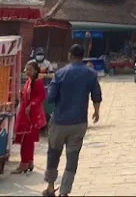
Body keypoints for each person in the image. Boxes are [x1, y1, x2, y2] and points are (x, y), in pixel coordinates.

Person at [43, 44, 102, 197]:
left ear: (70, 55)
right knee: (72, 157)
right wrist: (96, 112)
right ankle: (64, 192)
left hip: (59, 121)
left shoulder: (60, 73)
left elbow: (50, 98)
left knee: (53, 153)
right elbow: (96, 95)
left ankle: (50, 187)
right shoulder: (90, 74)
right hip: (79, 122)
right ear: (82, 56)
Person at [13, 60, 47, 174]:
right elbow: (27, 95)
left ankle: (24, 163)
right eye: (26, 70)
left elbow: (41, 96)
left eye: (30, 70)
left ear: (36, 71)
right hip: (25, 113)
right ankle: (29, 162)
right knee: (28, 140)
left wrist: (31, 104)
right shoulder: (29, 81)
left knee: (26, 140)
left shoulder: (38, 82)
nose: (27, 72)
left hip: (31, 115)